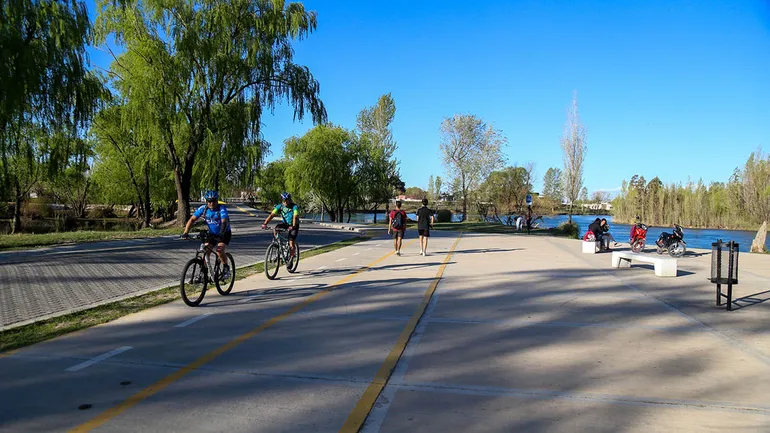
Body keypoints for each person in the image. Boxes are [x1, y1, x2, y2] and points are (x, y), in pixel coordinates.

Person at [182, 190, 231, 279]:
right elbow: (192, 220)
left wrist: (221, 233)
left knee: (219, 251)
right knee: (205, 251)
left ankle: (226, 268)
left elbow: (224, 222)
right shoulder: (203, 209)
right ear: (206, 201)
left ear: (217, 201)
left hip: (224, 233)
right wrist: (186, 233)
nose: (211, 203)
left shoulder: (221, 208)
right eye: (209, 201)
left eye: (213, 201)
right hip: (212, 234)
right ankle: (203, 274)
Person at [261, 192, 300, 257]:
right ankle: (281, 246)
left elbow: (295, 217)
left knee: (291, 242)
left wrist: (293, 226)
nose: (285, 202)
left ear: (290, 200)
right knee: (276, 229)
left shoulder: (294, 207)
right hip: (285, 224)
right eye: (284, 201)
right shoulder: (280, 206)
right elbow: (271, 215)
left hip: (294, 225)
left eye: (287, 200)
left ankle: (291, 257)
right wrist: (265, 223)